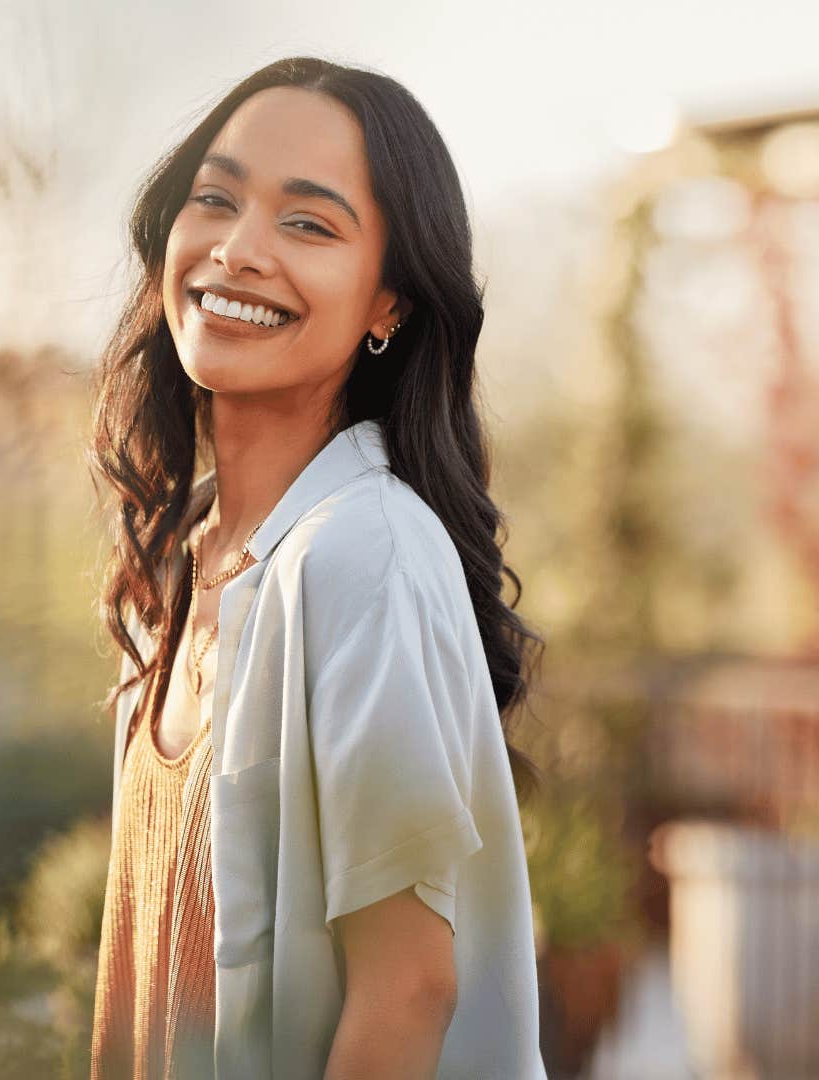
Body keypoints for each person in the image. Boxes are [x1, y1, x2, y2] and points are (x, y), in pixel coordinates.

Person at [87, 56, 548, 1080]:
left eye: (308, 223)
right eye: (215, 200)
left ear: (389, 301)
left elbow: (410, 990)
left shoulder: (360, 555)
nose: (239, 250)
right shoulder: (178, 560)